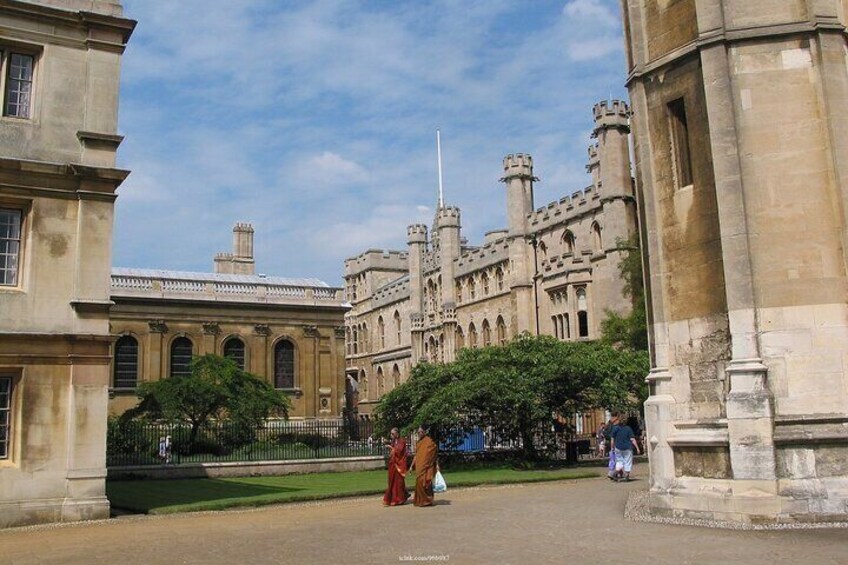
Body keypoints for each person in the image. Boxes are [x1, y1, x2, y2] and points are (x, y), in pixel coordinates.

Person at [410, 425, 438, 507]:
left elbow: (433, 453)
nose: (420, 433)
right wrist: (411, 466)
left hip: (427, 465)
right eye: (418, 432)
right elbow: (416, 455)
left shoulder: (429, 441)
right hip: (419, 465)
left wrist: (432, 464)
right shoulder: (418, 442)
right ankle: (420, 500)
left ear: (425, 432)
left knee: (426, 482)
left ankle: (427, 500)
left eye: (421, 432)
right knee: (419, 481)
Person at [382, 428, 410, 506]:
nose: (391, 435)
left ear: (397, 434)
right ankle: (395, 498)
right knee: (392, 482)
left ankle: (399, 499)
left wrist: (391, 448)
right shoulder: (394, 441)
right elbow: (393, 452)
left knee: (398, 483)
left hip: (399, 464)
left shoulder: (401, 441)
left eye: (393, 434)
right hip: (393, 464)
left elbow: (399, 452)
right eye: (391, 434)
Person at [610, 416, 641, 481]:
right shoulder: (628, 429)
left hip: (618, 447)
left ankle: (615, 472)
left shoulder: (616, 428)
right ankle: (626, 475)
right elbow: (632, 439)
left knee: (619, 461)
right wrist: (637, 448)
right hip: (627, 448)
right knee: (628, 461)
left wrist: (612, 448)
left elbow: (612, 439)